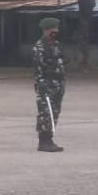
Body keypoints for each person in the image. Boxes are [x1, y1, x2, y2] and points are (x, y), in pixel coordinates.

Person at [33, 17, 66, 153]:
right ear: (47, 30)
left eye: (57, 28)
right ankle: (44, 141)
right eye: (54, 29)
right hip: (46, 84)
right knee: (46, 113)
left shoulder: (56, 45)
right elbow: (38, 68)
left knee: (55, 112)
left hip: (58, 84)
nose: (56, 31)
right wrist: (40, 83)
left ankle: (50, 139)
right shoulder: (39, 47)